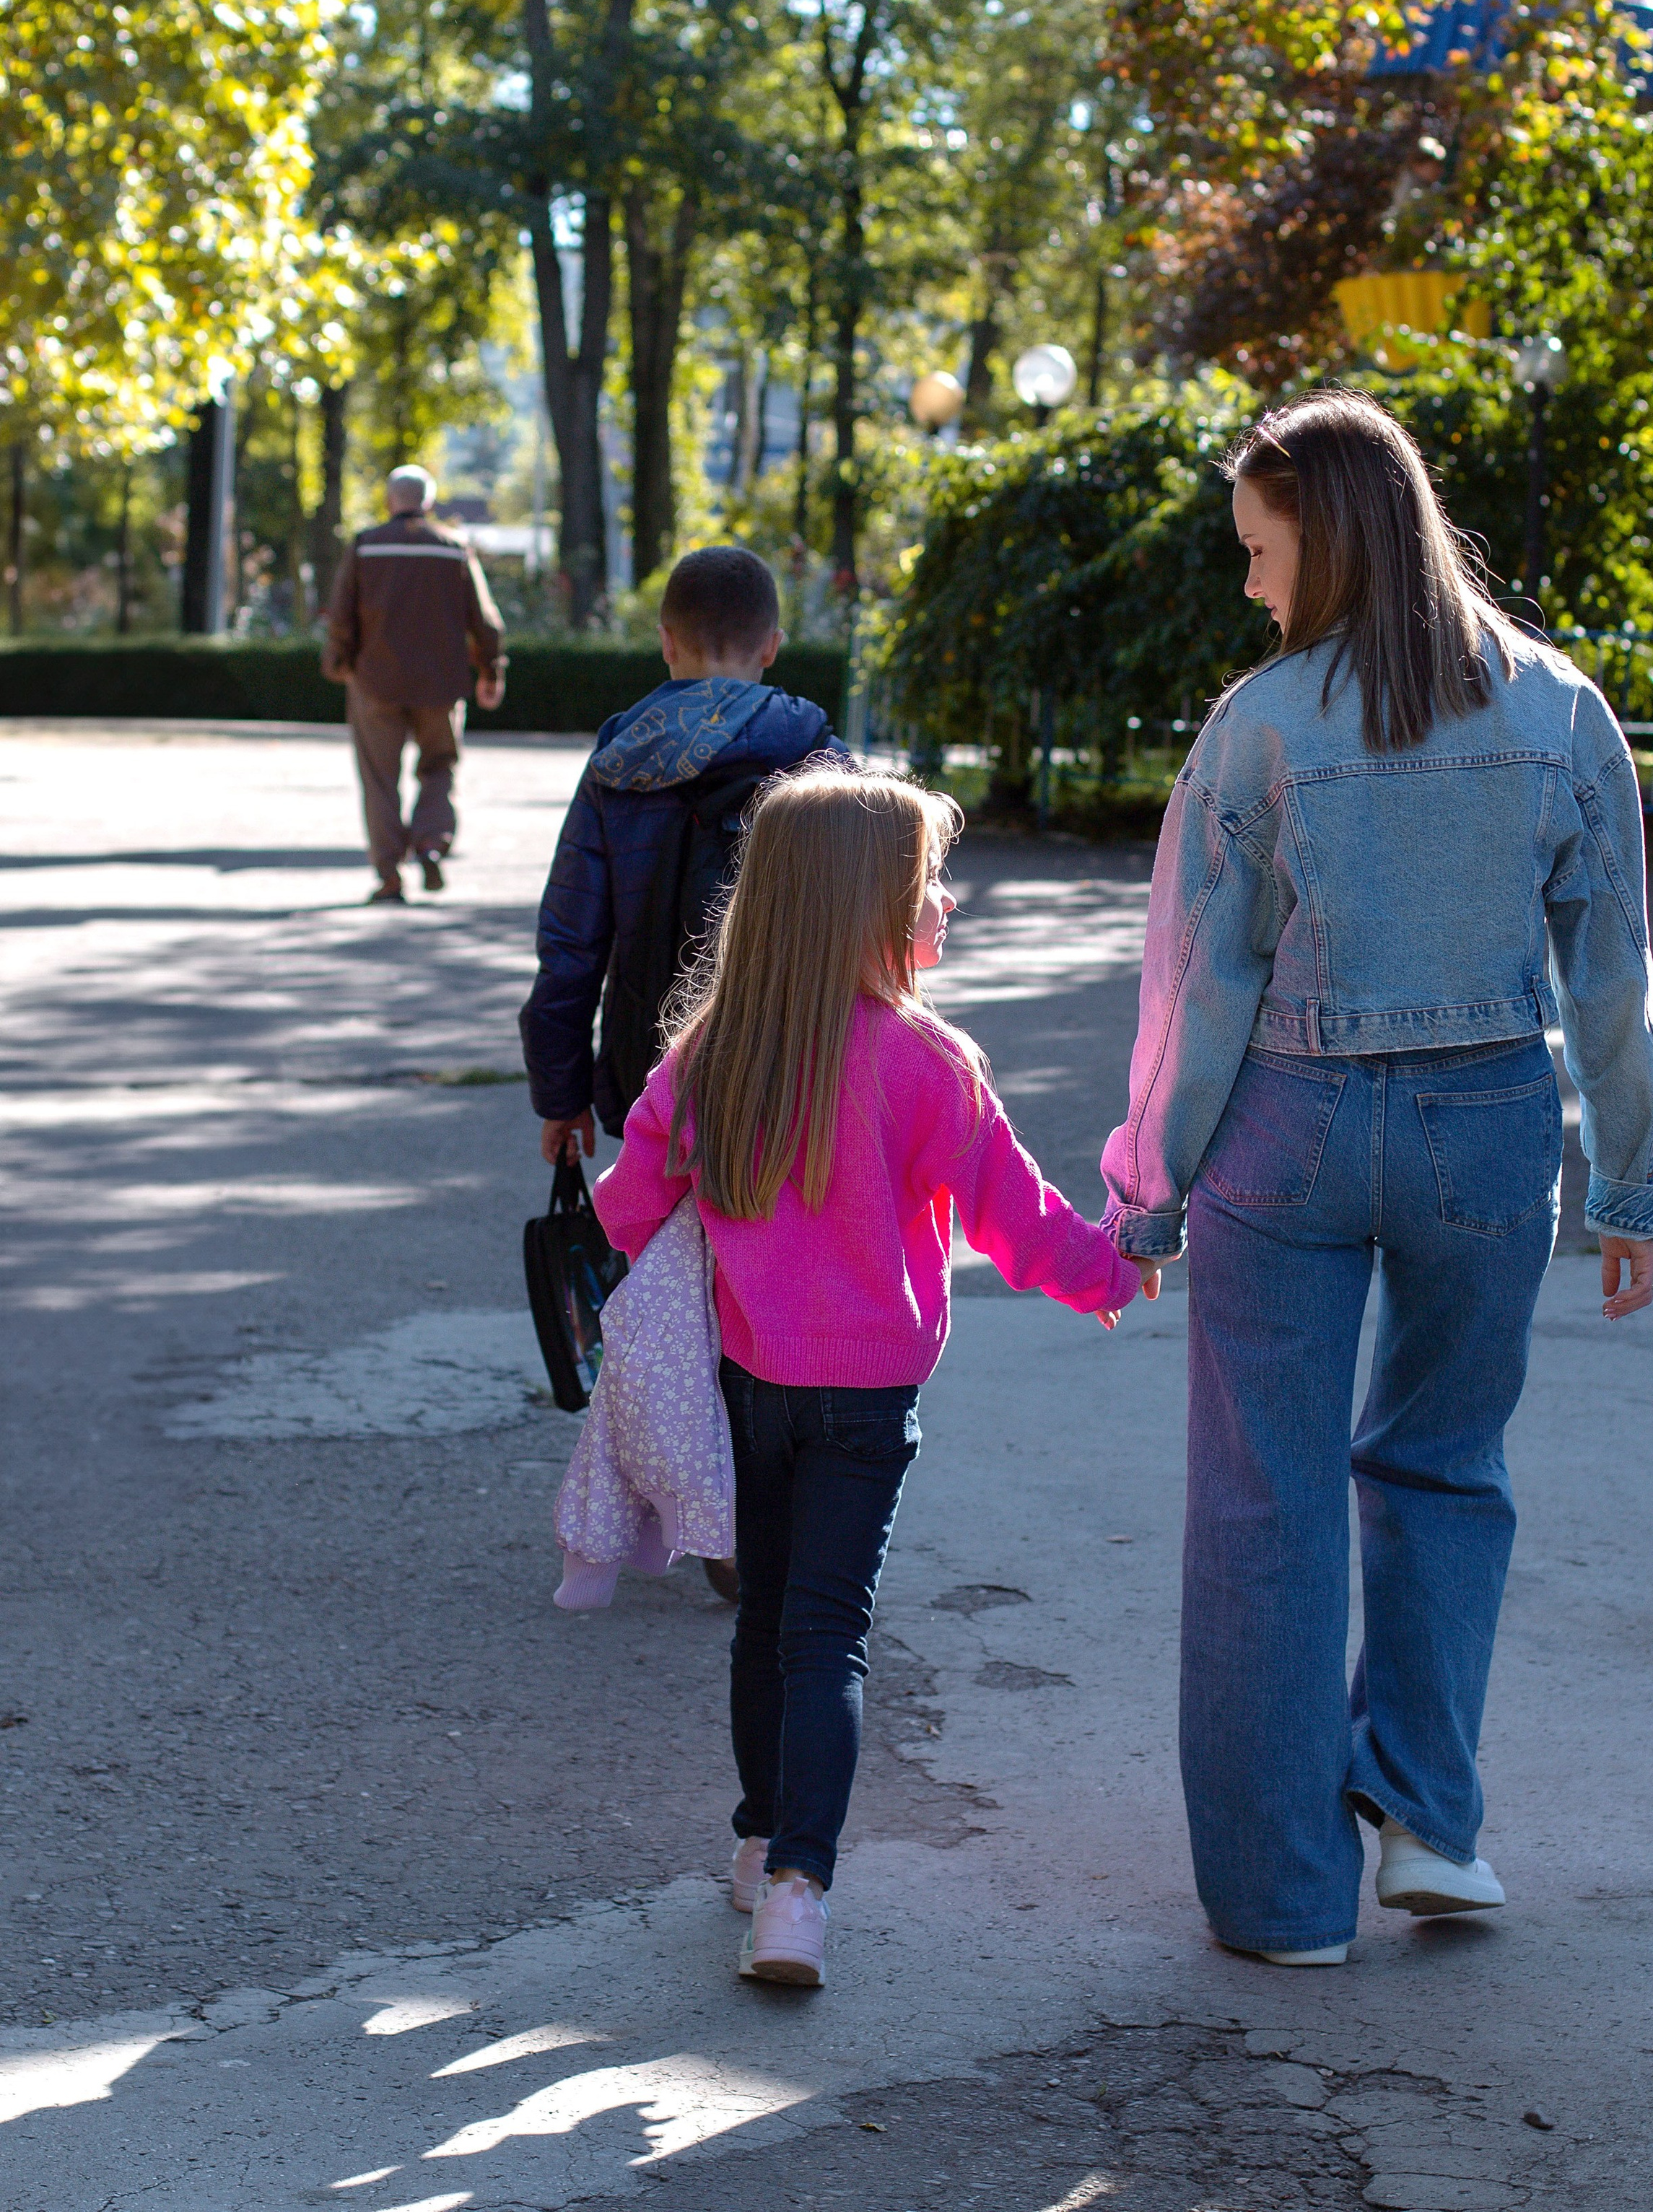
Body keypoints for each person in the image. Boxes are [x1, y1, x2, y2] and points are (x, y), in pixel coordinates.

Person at [1100, 388, 1653, 1970]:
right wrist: (1630, 1180)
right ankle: (1428, 1824)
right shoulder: (1561, 711)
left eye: (1259, 550)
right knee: (1444, 1470)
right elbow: (1613, 974)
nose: (1248, 585)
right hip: (1486, 1132)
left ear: (1328, 539)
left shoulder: (1261, 724)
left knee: (1261, 1503)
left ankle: (1284, 1905)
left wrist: (1146, 1192)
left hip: (1282, 1138)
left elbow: (1193, 987)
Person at [590, 769, 1158, 1988]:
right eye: (926, 884)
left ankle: (758, 1843)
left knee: (766, 1624)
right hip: (868, 1403)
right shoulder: (932, 1064)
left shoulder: (713, 1058)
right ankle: (801, 1887)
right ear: (868, 911)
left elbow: (626, 1203)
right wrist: (1113, 1276)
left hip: (748, 1382)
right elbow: (1025, 1221)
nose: (946, 902)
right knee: (828, 1637)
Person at [519, 545, 842, 1170]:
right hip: (796, 1071)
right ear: (772, 646)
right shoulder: (820, 756)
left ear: (666, 641)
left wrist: (562, 1096)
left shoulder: (616, 764)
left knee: (660, 1256)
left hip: (651, 1069)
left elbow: (570, 944)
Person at [321, 465, 507, 905]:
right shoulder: (455, 548)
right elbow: (485, 620)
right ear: (428, 503)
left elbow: (340, 611)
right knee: (440, 765)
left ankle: (389, 876)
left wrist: (338, 662)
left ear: (390, 501)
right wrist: (491, 671)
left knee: (380, 780)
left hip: (375, 683)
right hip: (441, 687)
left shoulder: (366, 546)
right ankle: (431, 842)